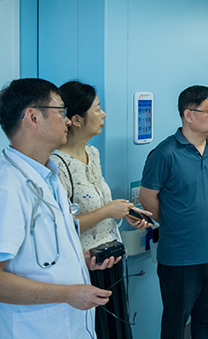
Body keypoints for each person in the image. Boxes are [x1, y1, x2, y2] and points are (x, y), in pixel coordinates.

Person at [0, 78, 119, 338]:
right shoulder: (7, 186)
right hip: (36, 330)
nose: (67, 121)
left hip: (71, 326)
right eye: (60, 112)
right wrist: (67, 294)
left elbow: (40, 254)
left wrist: (78, 259)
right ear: (33, 117)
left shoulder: (48, 176)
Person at [51, 81, 151, 339]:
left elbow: (98, 202)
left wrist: (126, 212)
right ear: (76, 119)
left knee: (116, 328)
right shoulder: (56, 165)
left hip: (111, 257)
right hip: (84, 265)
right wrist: (107, 211)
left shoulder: (92, 153)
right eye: (97, 109)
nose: (104, 114)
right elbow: (61, 226)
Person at [140, 86, 208, 339]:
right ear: (188, 115)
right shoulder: (164, 153)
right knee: (175, 325)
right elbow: (147, 198)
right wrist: (175, 221)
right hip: (179, 257)